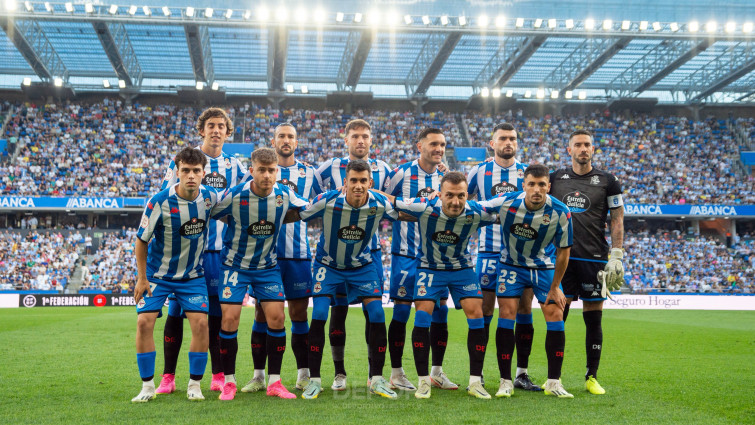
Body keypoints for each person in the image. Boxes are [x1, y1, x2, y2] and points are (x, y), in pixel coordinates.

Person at [381, 171, 500, 399]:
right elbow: (391, 200)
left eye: (461, 196)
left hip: (462, 269)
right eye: (450, 195)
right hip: (430, 268)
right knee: (422, 317)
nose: (455, 202)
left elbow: (508, 211)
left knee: (477, 315)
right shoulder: (425, 207)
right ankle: (424, 381)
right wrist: (361, 189)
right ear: (439, 194)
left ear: (468, 195)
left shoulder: (476, 212)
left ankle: (475, 382)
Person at [155, 107, 249, 395]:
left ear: (227, 131)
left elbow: (246, 199)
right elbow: (164, 201)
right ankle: (168, 376)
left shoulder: (236, 167)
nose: (216, 130)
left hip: (223, 251)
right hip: (187, 252)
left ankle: (218, 374)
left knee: (217, 314)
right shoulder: (184, 160)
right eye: (211, 125)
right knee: (176, 312)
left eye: (221, 126)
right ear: (202, 130)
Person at [292, 160, 397, 400]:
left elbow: (405, 212)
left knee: (378, 315)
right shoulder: (329, 200)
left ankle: (378, 379)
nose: (358, 186)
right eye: (353, 180)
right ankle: (315, 381)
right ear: (345, 182)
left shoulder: (379, 203)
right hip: (328, 265)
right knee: (319, 314)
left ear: (370, 183)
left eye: (363, 181)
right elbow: (302, 212)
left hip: (363, 266)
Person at [211, 147, 308, 401]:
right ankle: (229, 382)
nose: (267, 175)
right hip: (235, 266)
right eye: (262, 170)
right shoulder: (235, 194)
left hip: (267, 267)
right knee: (229, 320)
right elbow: (212, 211)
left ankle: (275, 382)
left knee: (277, 318)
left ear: (277, 171)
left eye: (271, 170)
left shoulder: (284, 193)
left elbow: (307, 209)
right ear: (251, 170)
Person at [131, 147, 220, 403]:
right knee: (144, 322)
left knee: (201, 324)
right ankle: (147, 387)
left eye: (196, 171)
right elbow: (141, 240)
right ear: (177, 172)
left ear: (203, 173)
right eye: (185, 171)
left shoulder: (210, 197)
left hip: (192, 276)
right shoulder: (158, 201)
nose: (191, 175)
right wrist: (141, 277)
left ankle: (194, 384)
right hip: (157, 276)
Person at [479, 164, 573, 398]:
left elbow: (564, 251)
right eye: (532, 184)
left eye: (542, 184)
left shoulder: (561, 212)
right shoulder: (507, 201)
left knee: (555, 314)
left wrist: (555, 287)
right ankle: (505, 381)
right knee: (507, 313)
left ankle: (553, 382)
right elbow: (475, 207)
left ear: (549, 187)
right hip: (511, 265)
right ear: (524, 185)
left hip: (544, 267)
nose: (537, 189)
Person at [242, 123, 322, 394]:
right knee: (261, 314)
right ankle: (259, 376)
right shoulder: (254, 172)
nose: (286, 141)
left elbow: (325, 198)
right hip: (265, 257)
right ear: (273, 141)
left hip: (298, 255)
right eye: (281, 136)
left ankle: (303, 373)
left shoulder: (310, 173)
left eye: (290, 137)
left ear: (296, 142)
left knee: (299, 314)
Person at [315, 119, 391, 391]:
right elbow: (314, 198)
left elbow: (391, 203)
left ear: (371, 140)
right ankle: (339, 374)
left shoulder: (385, 169)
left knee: (375, 314)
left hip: (369, 253)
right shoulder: (327, 168)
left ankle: (375, 375)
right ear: (345, 139)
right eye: (355, 136)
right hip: (335, 256)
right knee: (338, 310)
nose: (361, 140)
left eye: (365, 136)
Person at [549, 129, 625, 395]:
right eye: (578, 145)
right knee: (558, 317)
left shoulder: (608, 181)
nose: (583, 149)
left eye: (588, 145)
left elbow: (617, 217)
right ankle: (553, 379)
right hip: (563, 258)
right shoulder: (555, 178)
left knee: (594, 320)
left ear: (594, 149)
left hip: (594, 259)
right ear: (569, 149)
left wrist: (617, 254)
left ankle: (591, 377)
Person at [466, 123, 540, 391]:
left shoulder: (526, 173)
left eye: (513, 139)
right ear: (492, 143)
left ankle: (521, 373)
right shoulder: (480, 171)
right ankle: (479, 374)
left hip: (521, 255)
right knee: (485, 310)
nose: (508, 143)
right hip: (488, 251)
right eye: (503, 139)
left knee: (523, 309)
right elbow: (464, 205)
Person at [383, 128, 456, 391]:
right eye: (434, 144)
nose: (439, 149)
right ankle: (396, 373)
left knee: (440, 312)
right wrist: (411, 211)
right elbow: (383, 201)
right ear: (419, 146)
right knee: (402, 311)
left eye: (443, 145)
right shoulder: (401, 173)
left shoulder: (446, 177)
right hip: (406, 255)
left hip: (436, 259)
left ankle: (436, 371)